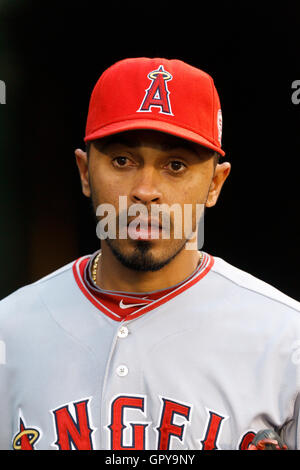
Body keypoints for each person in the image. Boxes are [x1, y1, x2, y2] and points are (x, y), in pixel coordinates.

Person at [0, 57, 299, 451]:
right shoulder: (10, 330)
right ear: (85, 172)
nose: (145, 190)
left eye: (175, 165)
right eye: (122, 160)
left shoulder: (286, 339)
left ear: (215, 184)